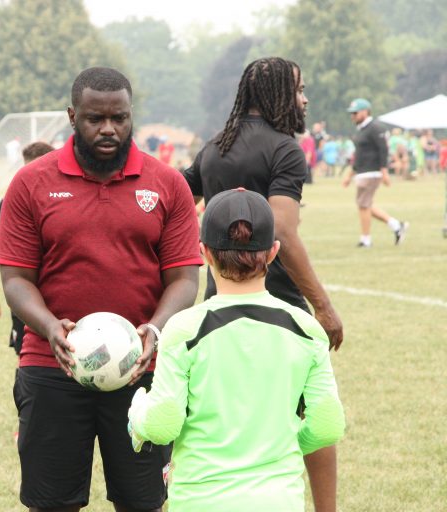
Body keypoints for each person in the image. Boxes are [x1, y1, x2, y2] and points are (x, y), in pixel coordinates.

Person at [0, 66, 203, 512]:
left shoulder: (167, 184)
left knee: (144, 503)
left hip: (140, 373)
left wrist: (155, 330)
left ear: (131, 116)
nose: (109, 128)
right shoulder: (32, 182)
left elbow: (186, 277)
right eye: (95, 118)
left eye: (120, 118)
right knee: (51, 504)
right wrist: (50, 327)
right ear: (73, 116)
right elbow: (14, 278)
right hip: (52, 367)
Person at [184, 57, 343, 512]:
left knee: (233, 411)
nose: (305, 99)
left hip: (219, 303)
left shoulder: (215, 147)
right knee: (309, 410)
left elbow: (178, 198)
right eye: (299, 90)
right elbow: (284, 232)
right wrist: (325, 308)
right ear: (274, 95)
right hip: (278, 305)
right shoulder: (284, 150)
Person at [128, 188, 345, 511]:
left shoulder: (185, 328)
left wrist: (137, 412)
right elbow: (327, 426)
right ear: (273, 253)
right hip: (279, 500)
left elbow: (162, 425)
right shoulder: (306, 328)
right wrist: (283, 447)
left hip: (201, 501)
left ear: (204, 253)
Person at [0, 141, 55, 355]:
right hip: (27, 301)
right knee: (26, 355)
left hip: (61, 299)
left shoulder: (70, 200)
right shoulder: (10, 203)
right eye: (27, 169)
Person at [343, 98, 409, 248]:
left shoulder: (376, 127)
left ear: (365, 112)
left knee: (363, 206)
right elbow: (359, 155)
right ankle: (396, 225)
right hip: (362, 172)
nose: (352, 116)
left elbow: (383, 149)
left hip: (371, 172)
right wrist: (350, 174)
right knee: (365, 205)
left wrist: (384, 171)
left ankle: (366, 239)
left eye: (355, 113)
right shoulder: (362, 129)